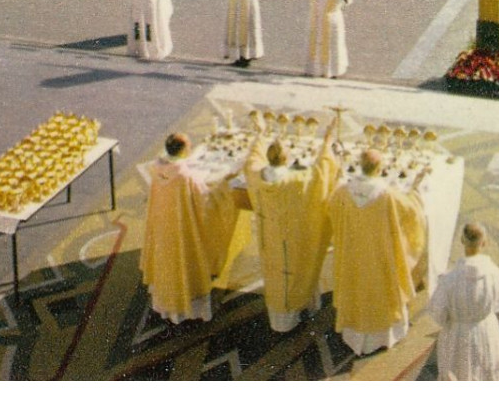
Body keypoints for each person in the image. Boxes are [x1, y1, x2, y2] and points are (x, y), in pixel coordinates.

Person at [243, 113, 340, 332]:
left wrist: (260, 132)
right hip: (294, 238)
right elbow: (321, 172)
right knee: (300, 271)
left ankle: (281, 320)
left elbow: (251, 159)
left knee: (277, 278)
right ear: (286, 159)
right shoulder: (297, 180)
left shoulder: (258, 175)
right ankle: (302, 308)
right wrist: (326, 142)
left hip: (271, 239)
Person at [327, 147, 426, 355]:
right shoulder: (387, 194)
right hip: (379, 256)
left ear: (360, 165)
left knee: (355, 288)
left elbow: (331, 206)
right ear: (380, 168)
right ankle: (381, 336)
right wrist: (415, 192)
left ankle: (355, 335)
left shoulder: (345, 191)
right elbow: (411, 213)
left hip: (353, 254)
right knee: (381, 290)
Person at [140, 134, 239, 324]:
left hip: (163, 226)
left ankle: (166, 303)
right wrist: (223, 186)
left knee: (167, 262)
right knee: (185, 263)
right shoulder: (185, 176)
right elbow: (206, 200)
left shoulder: (156, 168)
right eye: (189, 146)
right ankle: (189, 309)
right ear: (183, 150)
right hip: (183, 230)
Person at [428, 222, 499, 381]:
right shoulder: (494, 273)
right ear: (484, 243)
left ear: (462, 241)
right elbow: (498, 303)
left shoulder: (449, 279)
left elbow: (438, 314)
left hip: (457, 337)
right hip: (486, 330)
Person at [285, 0, 352, 79]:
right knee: (316, 45)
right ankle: (316, 70)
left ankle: (333, 71)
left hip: (331, 19)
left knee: (332, 47)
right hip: (316, 18)